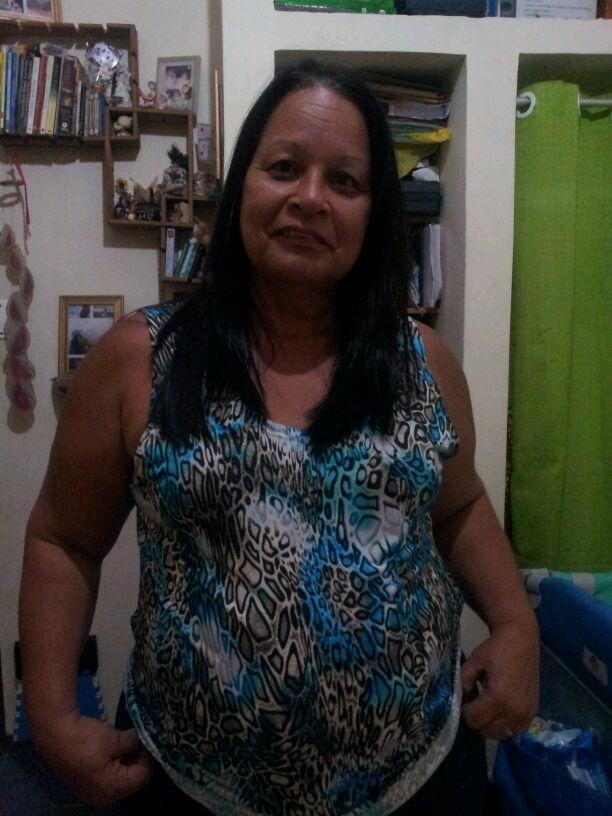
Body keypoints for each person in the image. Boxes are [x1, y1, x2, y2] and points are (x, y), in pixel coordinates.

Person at [19, 60, 539, 815]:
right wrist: (52, 715)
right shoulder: (140, 360)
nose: (310, 199)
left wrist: (517, 626)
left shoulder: (421, 363)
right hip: (190, 786)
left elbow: (458, 509)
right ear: (242, 188)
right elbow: (63, 540)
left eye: (345, 182)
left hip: (418, 779)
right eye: (285, 168)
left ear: (373, 214)